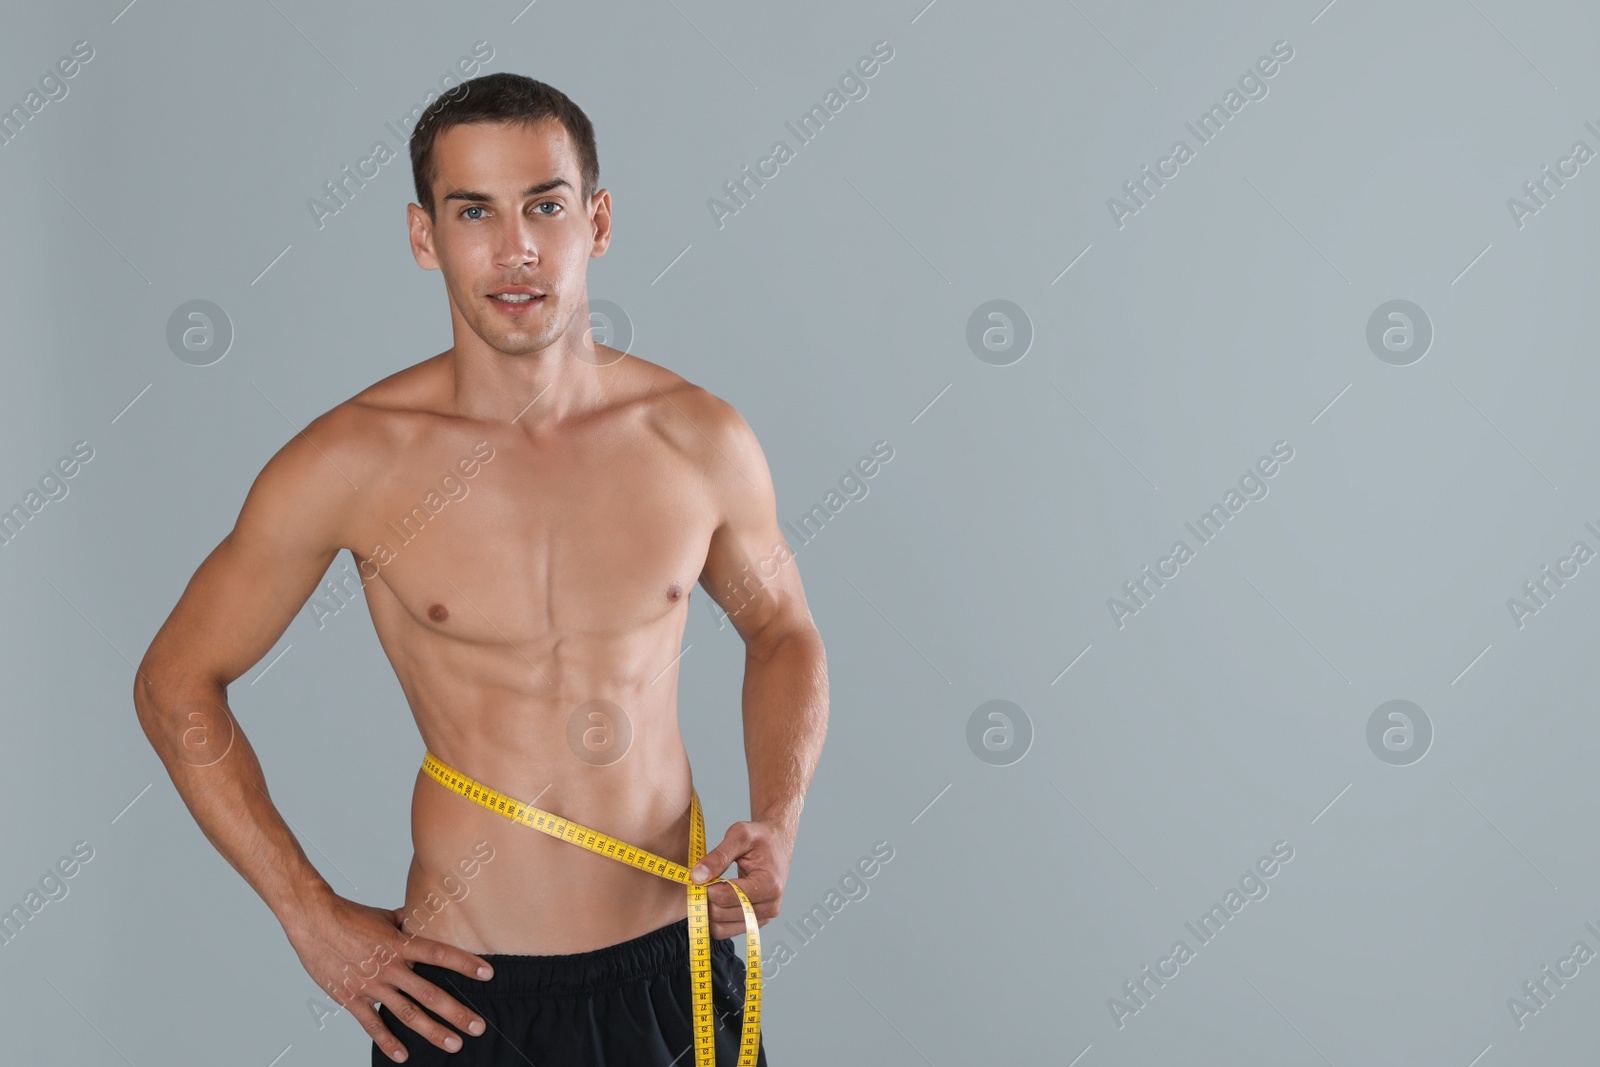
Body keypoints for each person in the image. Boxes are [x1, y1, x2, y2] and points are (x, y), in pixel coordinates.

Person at [132, 72, 828, 1065]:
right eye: (474, 211)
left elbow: (782, 630)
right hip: (469, 998)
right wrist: (309, 915)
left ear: (597, 220)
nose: (515, 249)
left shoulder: (696, 438)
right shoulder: (354, 460)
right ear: (425, 237)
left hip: (677, 971)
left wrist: (782, 817)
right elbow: (173, 683)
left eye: (544, 204)